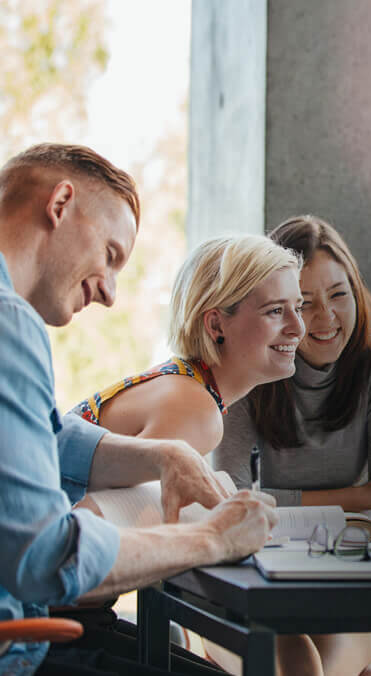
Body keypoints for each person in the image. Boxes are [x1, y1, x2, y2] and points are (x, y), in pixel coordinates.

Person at [0, 143, 279, 676]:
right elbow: (47, 561)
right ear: (60, 204)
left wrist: (163, 456)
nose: (108, 293)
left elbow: (49, 434)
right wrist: (210, 537)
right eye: (110, 254)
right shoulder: (10, 323)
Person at [213, 214, 371, 675]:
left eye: (339, 295)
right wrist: (355, 498)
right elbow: (229, 503)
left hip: (346, 575)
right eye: (304, 304)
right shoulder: (249, 370)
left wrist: (360, 503)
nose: (325, 318)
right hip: (259, 576)